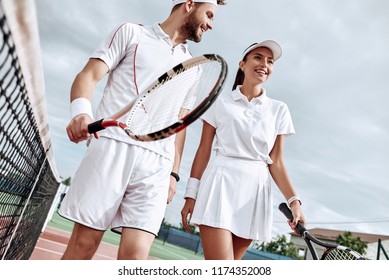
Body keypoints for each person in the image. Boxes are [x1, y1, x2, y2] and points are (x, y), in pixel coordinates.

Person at [59, 0, 226, 260]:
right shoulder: (131, 33)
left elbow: (179, 126)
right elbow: (89, 75)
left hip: (157, 164)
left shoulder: (193, 68)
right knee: (83, 246)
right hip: (112, 148)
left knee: (136, 258)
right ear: (190, 4)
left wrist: (173, 172)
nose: (212, 24)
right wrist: (80, 112)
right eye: (209, 15)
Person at [181, 40, 306, 260]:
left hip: (255, 191)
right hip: (219, 185)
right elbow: (203, 150)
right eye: (258, 57)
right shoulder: (219, 101)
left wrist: (294, 201)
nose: (264, 64)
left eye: (270, 61)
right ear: (242, 64)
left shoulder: (279, 110)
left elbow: (276, 162)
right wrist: (191, 194)